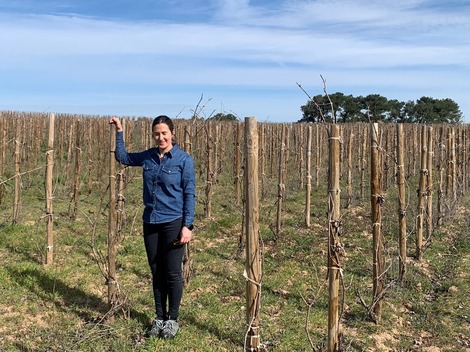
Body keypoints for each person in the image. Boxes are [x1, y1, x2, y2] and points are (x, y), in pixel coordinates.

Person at [109, 115, 196, 339]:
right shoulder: (148, 156)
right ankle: (159, 316)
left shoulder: (183, 160)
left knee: (173, 272)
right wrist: (119, 131)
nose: (160, 137)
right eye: (157, 133)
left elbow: (189, 193)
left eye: (164, 133)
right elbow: (123, 157)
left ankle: (172, 320)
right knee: (156, 271)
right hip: (151, 221)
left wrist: (187, 226)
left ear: (172, 133)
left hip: (173, 221)